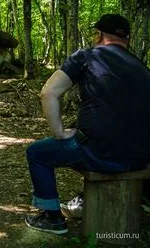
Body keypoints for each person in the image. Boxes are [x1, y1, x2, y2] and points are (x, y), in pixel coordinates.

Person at [24, 14, 150, 235]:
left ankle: (53, 219)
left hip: (101, 154)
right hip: (140, 158)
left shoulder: (86, 56)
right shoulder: (141, 68)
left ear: (99, 35)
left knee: (37, 153)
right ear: (127, 39)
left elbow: (48, 92)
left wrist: (59, 133)